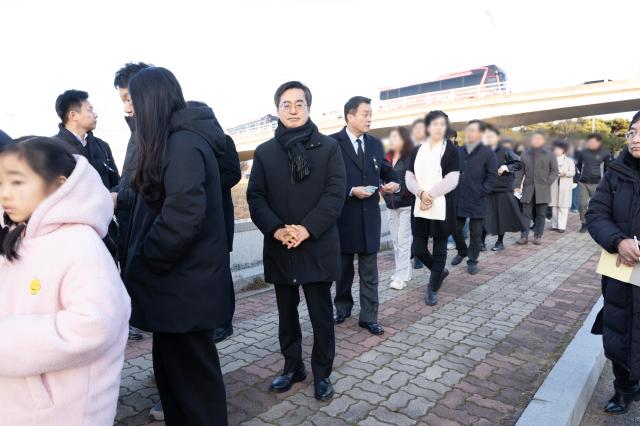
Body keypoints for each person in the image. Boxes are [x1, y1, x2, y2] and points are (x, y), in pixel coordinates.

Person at [123, 67, 233, 425]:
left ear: (150, 101)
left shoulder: (184, 143)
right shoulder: (177, 139)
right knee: (175, 382)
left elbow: (183, 216)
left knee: (196, 388)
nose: (131, 109)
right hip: (176, 290)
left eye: (133, 101)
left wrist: (146, 258)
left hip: (184, 287)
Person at [0, 137, 130, 425]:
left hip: (62, 413)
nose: (5, 195)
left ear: (60, 185)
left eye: (18, 183)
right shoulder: (19, 238)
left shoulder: (80, 244)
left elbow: (93, 325)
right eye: (1, 184)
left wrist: (6, 339)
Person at [247, 81, 345, 401]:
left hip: (316, 245)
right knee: (286, 316)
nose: (292, 109)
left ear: (308, 108)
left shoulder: (329, 148)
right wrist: (277, 229)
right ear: (277, 110)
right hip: (280, 247)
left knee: (320, 316)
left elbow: (334, 194)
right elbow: (257, 196)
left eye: (299, 104)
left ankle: (322, 374)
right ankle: (292, 367)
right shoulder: (264, 152)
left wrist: (305, 229)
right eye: (286, 104)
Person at [586, 112, 640, 415]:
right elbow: (595, 215)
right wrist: (618, 240)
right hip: (621, 274)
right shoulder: (616, 173)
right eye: (632, 132)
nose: (636, 138)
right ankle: (624, 389)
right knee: (619, 331)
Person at [333, 96, 399, 336]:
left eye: (371, 114)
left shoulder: (375, 144)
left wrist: (393, 183)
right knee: (342, 271)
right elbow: (326, 182)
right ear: (350, 116)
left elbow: (386, 170)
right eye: (365, 114)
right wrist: (350, 190)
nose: (370, 118)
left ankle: (369, 317)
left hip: (369, 217)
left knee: (370, 272)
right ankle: (342, 308)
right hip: (343, 218)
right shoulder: (331, 143)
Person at [186, 100, 241, 344]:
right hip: (199, 217)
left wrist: (207, 185)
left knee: (222, 270)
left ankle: (225, 321)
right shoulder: (189, 143)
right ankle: (208, 318)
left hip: (220, 214)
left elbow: (234, 174)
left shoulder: (224, 140)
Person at [53, 89, 120, 259]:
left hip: (107, 232)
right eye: (90, 110)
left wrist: (114, 195)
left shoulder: (102, 146)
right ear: (73, 115)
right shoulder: (53, 148)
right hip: (72, 236)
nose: (95, 114)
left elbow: (117, 182)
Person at [113, 62, 152, 344]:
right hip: (133, 231)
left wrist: (117, 197)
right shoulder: (138, 133)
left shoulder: (158, 136)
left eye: (129, 99)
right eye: (123, 100)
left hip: (150, 242)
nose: (126, 108)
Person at [405, 110, 460, 305]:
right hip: (420, 204)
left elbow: (453, 178)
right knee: (419, 249)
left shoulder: (451, 150)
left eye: (442, 124)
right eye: (435, 124)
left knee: (439, 249)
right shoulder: (417, 150)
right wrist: (420, 193)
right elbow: (409, 176)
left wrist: (432, 194)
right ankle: (440, 271)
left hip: (442, 204)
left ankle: (432, 286)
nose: (439, 128)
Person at [450, 120, 497, 275]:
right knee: (455, 229)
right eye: (468, 130)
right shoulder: (459, 151)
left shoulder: (488, 153)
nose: (469, 133)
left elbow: (492, 176)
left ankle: (472, 260)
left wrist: (483, 191)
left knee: (475, 233)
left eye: (473, 130)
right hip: (460, 198)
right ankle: (462, 251)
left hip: (478, 199)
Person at [482, 129, 525, 251]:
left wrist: (506, 167)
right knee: (484, 216)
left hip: (503, 189)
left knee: (502, 217)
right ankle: (481, 243)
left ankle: (500, 242)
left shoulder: (505, 150)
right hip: (487, 189)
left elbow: (518, 163)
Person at [383, 126, 414, 290]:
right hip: (390, 205)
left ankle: (401, 277)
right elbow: (381, 177)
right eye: (391, 137)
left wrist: (399, 188)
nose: (392, 140)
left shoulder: (410, 158)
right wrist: (383, 188)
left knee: (403, 241)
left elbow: (413, 182)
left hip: (406, 205)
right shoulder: (386, 158)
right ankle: (404, 271)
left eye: (395, 137)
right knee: (396, 241)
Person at [515, 131, 559, 245]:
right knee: (525, 214)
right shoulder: (524, 154)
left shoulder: (549, 154)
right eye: (535, 139)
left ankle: (538, 236)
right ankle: (524, 237)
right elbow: (520, 172)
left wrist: (547, 182)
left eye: (539, 139)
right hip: (528, 189)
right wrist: (517, 186)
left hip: (543, 189)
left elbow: (555, 171)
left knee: (541, 214)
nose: (537, 141)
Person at [577, 133, 612, 233]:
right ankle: (584, 223)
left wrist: (605, 182)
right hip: (583, 182)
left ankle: (597, 223)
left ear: (598, 142)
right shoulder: (582, 153)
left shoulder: (605, 153)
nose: (591, 143)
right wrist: (581, 176)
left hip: (598, 183)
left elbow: (607, 168)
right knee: (582, 204)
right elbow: (579, 165)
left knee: (597, 205)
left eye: (593, 141)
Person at [549, 140, 576, 233]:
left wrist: (565, 173)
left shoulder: (569, 160)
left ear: (563, 150)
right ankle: (554, 225)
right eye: (555, 149)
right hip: (554, 185)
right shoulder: (551, 159)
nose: (556, 150)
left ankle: (561, 226)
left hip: (564, 186)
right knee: (554, 206)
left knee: (563, 207)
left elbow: (573, 172)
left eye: (559, 149)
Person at [410, 119, 426, 268]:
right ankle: (417, 256)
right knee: (418, 232)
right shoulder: (411, 151)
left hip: (432, 197)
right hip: (415, 197)